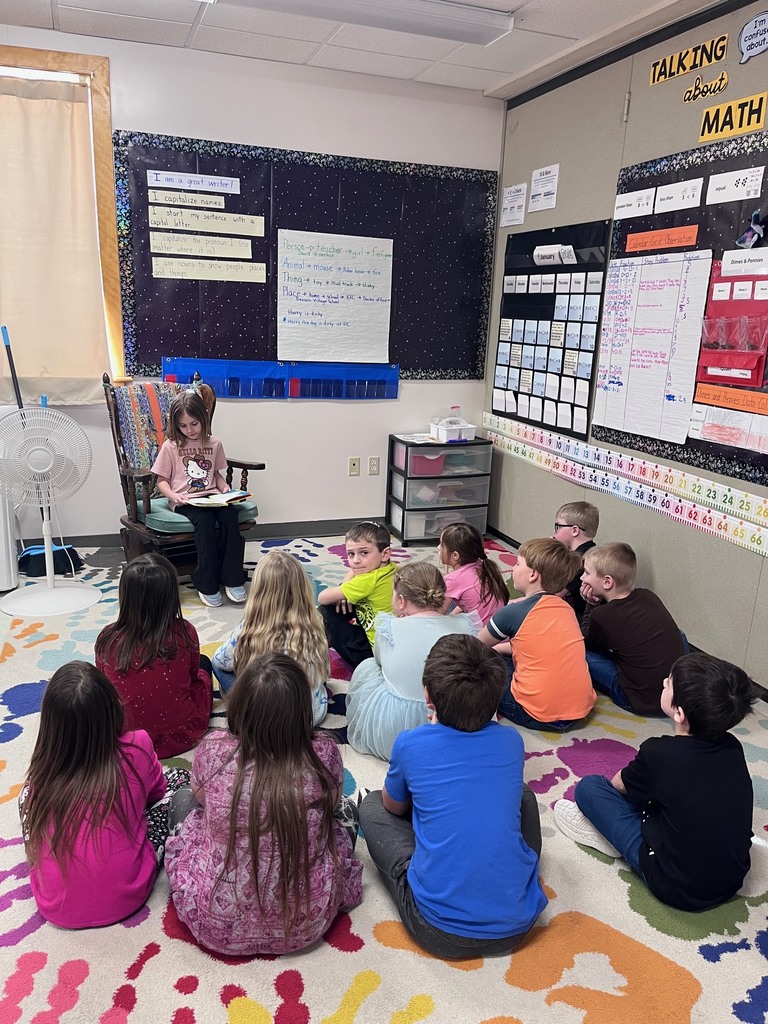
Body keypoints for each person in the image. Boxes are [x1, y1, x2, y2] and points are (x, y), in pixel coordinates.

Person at [359, 634, 547, 959]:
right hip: (518, 925)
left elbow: (394, 806)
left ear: (428, 695)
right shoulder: (512, 740)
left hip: (439, 931)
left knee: (372, 805)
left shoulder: (410, 743)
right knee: (524, 797)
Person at [164, 653, 363, 956]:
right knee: (347, 811)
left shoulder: (214, 750)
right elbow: (333, 805)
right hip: (304, 924)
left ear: (239, 705)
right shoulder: (323, 753)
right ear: (301, 710)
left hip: (214, 924)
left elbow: (200, 798)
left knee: (182, 799)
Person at [553, 652, 757, 911]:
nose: (663, 683)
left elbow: (617, 787)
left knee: (590, 787)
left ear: (679, 713)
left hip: (676, 886)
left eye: (669, 683)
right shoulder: (733, 746)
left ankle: (607, 837)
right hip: (731, 879)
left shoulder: (659, 753)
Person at [19, 662, 172, 928]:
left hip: (55, 906)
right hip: (129, 892)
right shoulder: (137, 745)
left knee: (26, 799)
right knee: (178, 786)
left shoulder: (41, 775)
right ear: (112, 706)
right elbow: (158, 792)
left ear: (51, 725)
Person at [346, 561, 478, 761]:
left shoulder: (389, 628)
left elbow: (380, 661)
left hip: (396, 729)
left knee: (368, 666)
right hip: (455, 717)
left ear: (401, 600)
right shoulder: (465, 625)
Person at [95, 552, 213, 758]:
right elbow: (193, 676)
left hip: (125, 739)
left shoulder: (108, 638)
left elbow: (104, 689)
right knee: (204, 667)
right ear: (171, 596)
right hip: (180, 735)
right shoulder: (185, 632)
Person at [478, 538, 595, 731]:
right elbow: (536, 646)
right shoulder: (566, 609)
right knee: (505, 652)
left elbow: (476, 646)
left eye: (517, 564)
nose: (513, 569)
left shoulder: (512, 613)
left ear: (533, 574)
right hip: (580, 711)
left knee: (485, 658)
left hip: (533, 713)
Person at [152, 389, 246, 608]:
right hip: (185, 501)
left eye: (194, 424)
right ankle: (206, 582)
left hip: (212, 497)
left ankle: (232, 578)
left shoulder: (214, 444)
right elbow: (161, 480)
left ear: (204, 418)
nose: (189, 430)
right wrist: (173, 495)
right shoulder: (171, 447)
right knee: (203, 522)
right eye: (183, 426)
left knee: (230, 517)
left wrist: (224, 489)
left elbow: (215, 474)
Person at [211, 550, 330, 723]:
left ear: (258, 592)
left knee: (217, 665)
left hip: (261, 715)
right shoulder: (314, 624)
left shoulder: (249, 628)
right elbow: (323, 670)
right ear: (302, 587)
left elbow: (219, 661)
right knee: (317, 680)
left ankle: (242, 705)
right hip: (308, 717)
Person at [580, 542, 686, 715]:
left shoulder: (603, 615)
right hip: (675, 694)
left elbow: (585, 642)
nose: (582, 579)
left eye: (586, 573)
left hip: (638, 699)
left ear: (607, 582)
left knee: (578, 652)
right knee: (679, 634)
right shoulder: (648, 595)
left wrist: (591, 604)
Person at [317, 521, 396, 669]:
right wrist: (346, 589)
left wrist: (344, 590)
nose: (356, 561)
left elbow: (322, 596)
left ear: (385, 554)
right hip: (389, 645)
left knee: (326, 612)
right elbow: (354, 570)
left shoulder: (367, 580)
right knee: (343, 602)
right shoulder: (389, 568)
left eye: (364, 553)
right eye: (351, 554)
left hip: (373, 657)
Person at [439, 522, 508, 626]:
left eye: (442, 545)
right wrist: (452, 615)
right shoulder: (483, 566)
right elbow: (470, 602)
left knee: (435, 604)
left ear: (455, 555)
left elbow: (437, 614)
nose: (438, 547)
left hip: (482, 637)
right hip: (501, 632)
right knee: (456, 600)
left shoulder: (453, 580)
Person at [552, 501, 599, 620]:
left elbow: (552, 596)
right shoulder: (592, 551)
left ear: (574, 530)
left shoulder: (579, 561)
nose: (554, 532)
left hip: (582, 618)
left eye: (558, 527)